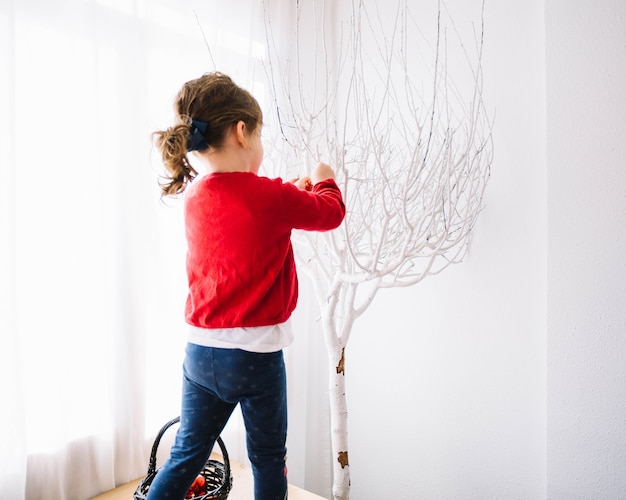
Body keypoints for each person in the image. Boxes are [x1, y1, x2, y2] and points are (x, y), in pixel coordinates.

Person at [147, 72, 345, 500]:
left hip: (200, 355)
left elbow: (244, 223)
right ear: (242, 131)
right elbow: (329, 214)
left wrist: (286, 193)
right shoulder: (270, 197)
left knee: (187, 454)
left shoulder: (195, 196)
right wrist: (325, 179)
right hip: (255, 357)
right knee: (269, 458)